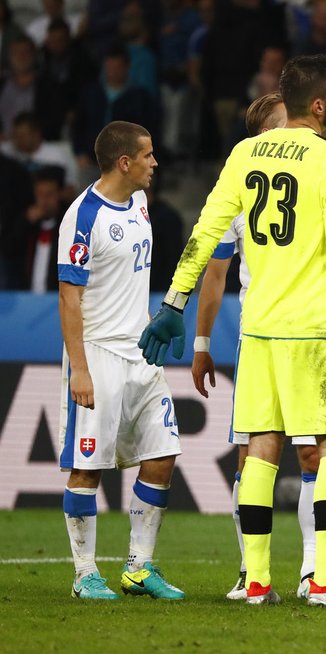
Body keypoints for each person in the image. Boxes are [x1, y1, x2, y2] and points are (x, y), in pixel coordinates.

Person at [138, 54, 326, 608]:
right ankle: (325, 581)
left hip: (258, 329)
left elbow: (204, 233)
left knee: (261, 447)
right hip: (317, 329)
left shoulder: (243, 153)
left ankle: (255, 581)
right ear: (320, 103)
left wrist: (172, 304)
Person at [189, 92, 323, 601]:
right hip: (260, 337)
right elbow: (215, 272)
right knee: (251, 457)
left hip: (311, 332)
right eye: (285, 124)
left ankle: (313, 570)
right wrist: (202, 342)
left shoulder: (321, 177)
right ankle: (252, 571)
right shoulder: (237, 189)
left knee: (313, 452)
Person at [58, 120, 183, 601]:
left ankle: (138, 567)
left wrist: (152, 321)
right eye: (148, 155)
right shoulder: (82, 217)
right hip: (99, 354)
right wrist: (80, 369)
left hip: (140, 353)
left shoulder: (141, 203)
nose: (156, 162)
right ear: (124, 162)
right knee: (88, 467)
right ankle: (85, 573)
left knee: (163, 454)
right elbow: (70, 299)